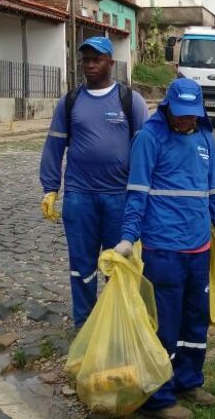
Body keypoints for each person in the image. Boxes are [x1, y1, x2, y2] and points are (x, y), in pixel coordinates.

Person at [114, 78, 215, 419]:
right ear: (167, 108)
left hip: (198, 249)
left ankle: (189, 381)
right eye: (181, 114)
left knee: (195, 321)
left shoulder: (205, 139)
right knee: (164, 325)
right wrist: (128, 237)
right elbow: (136, 193)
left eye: (192, 114)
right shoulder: (148, 139)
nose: (186, 120)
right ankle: (160, 397)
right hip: (162, 249)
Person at [39, 36, 149, 327]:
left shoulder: (130, 100)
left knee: (119, 263)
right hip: (79, 196)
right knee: (81, 266)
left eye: (96, 59)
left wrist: (145, 192)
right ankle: (85, 325)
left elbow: (146, 150)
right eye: (85, 59)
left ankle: (121, 325)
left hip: (119, 197)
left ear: (111, 63)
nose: (89, 65)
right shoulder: (70, 101)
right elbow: (54, 145)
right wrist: (51, 188)